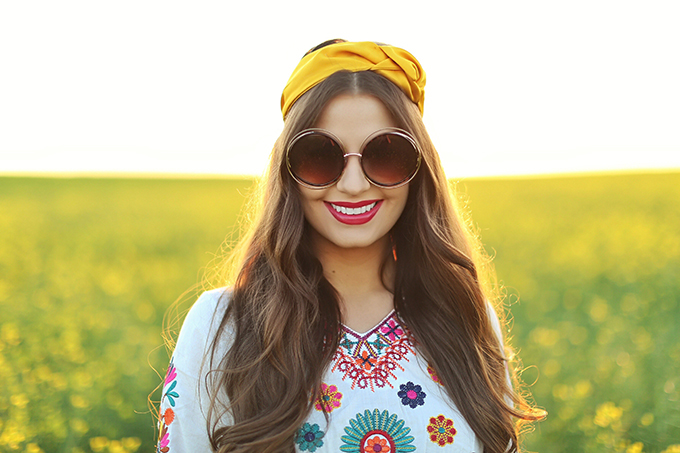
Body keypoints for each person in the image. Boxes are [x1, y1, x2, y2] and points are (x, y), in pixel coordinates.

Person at [155, 39, 544, 453]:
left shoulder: (465, 317)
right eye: (319, 155)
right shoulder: (222, 326)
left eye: (387, 154)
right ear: (287, 172)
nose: (354, 185)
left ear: (420, 170)